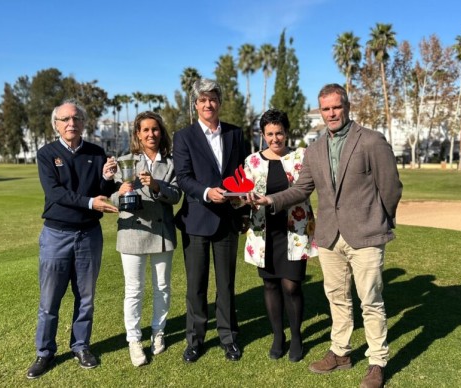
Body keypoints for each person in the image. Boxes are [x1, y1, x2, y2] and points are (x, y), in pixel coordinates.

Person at [247, 83, 402, 388]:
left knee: (370, 299)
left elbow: (391, 187)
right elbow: (302, 189)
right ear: (321, 111)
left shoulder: (371, 141)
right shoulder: (315, 149)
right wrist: (270, 200)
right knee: (337, 298)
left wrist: (381, 221)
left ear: (346, 106)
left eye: (336, 107)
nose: (332, 113)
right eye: (326, 109)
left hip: (366, 234)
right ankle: (341, 352)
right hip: (330, 236)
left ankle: (376, 362)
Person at [26, 100, 120, 379]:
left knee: (86, 298)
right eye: (65, 119)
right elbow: (55, 194)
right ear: (56, 124)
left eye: (76, 119)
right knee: (49, 300)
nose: (71, 123)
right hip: (57, 235)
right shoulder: (47, 154)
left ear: (83, 123)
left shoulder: (96, 152)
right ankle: (45, 352)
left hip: (89, 235)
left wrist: (107, 177)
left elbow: (103, 190)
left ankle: (81, 346)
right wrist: (91, 202)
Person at [172, 78, 249, 363]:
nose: (208, 104)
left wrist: (243, 213)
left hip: (228, 220)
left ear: (219, 102)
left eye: (213, 99)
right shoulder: (184, 136)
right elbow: (183, 178)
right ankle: (195, 340)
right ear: (196, 105)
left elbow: (242, 175)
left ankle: (228, 337)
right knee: (196, 285)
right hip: (196, 220)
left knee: (226, 284)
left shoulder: (235, 134)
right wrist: (206, 192)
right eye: (203, 100)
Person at [240, 109, 318, 362]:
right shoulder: (252, 161)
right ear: (262, 135)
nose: (275, 139)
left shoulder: (301, 156)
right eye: (270, 134)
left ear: (287, 132)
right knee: (271, 284)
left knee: (291, 285)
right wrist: (244, 201)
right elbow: (245, 193)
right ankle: (278, 336)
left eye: (280, 133)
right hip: (265, 233)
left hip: (294, 230)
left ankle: (296, 337)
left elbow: (304, 190)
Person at [109, 111, 182, 367]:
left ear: (161, 132)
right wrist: (121, 192)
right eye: (146, 130)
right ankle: (134, 340)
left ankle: (158, 332)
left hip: (162, 233)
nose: (151, 134)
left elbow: (175, 196)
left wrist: (156, 186)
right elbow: (114, 201)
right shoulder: (124, 161)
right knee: (134, 290)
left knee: (162, 287)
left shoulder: (171, 163)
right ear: (137, 135)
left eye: (155, 129)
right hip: (132, 231)